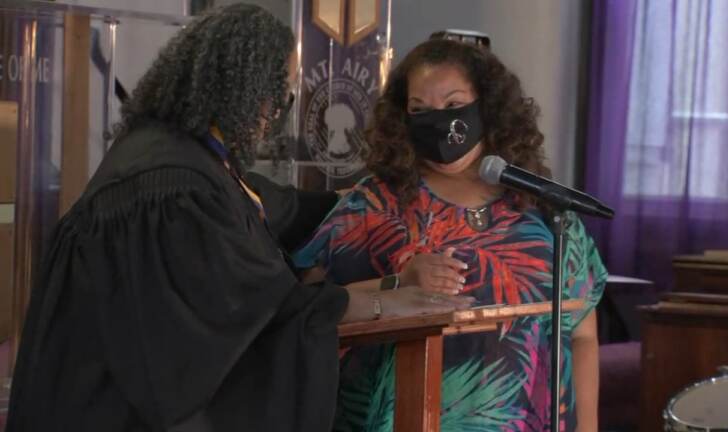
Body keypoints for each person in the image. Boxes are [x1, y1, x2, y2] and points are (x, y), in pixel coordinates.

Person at [6, 5, 471, 431]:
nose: (277, 113)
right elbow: (246, 316)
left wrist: (372, 194)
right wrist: (383, 302)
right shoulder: (170, 191)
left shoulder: (193, 162)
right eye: (280, 93)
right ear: (245, 89)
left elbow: (279, 208)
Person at [294, 38, 607, 431]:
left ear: (487, 106)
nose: (438, 122)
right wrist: (398, 284)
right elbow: (304, 305)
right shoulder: (375, 204)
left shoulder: (542, 208)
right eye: (420, 110)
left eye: (454, 106)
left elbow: (582, 335)